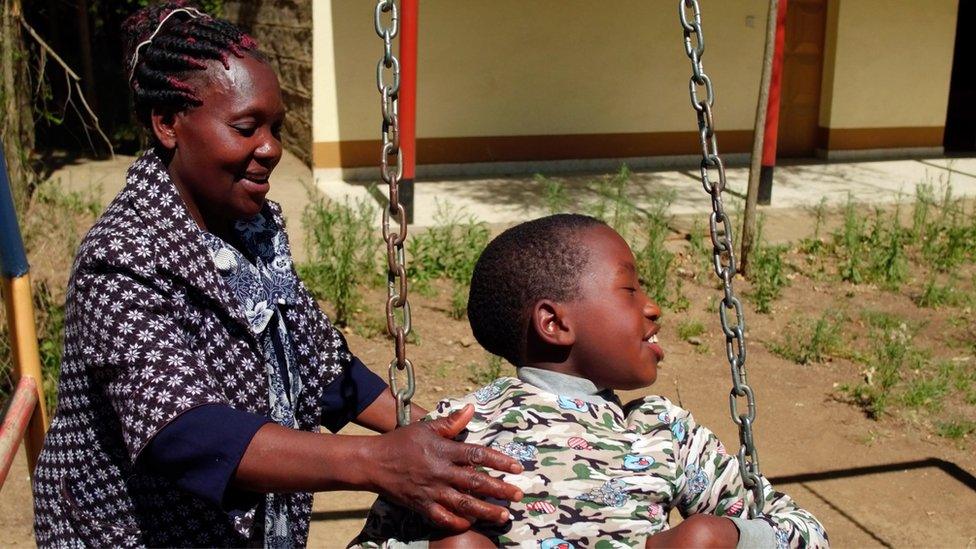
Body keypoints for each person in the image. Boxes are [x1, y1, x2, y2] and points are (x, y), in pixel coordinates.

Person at [31, 3, 523, 547]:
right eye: (245, 127)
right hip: (135, 532)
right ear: (168, 123)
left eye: (276, 127)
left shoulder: (254, 227)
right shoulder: (123, 256)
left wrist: (436, 435)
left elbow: (320, 363)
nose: (271, 149)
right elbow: (182, 431)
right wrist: (376, 461)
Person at [354, 214, 829, 548]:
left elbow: (805, 532)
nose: (652, 306)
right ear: (554, 324)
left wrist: (722, 538)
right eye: (629, 288)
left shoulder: (665, 432)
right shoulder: (463, 432)